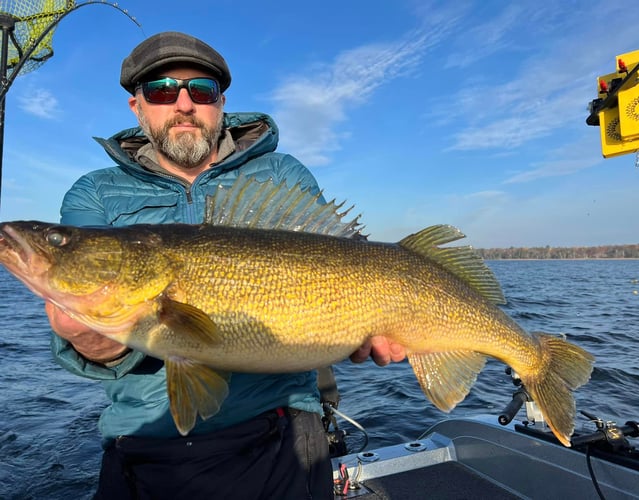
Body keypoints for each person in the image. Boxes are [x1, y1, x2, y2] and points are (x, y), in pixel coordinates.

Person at [45, 31, 406, 499]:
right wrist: (91, 336)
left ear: (221, 103)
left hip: (286, 435)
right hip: (148, 445)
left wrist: (369, 329)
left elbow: (345, 260)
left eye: (201, 90)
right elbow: (90, 342)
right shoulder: (95, 193)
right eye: (160, 90)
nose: (183, 104)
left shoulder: (281, 174)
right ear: (137, 107)